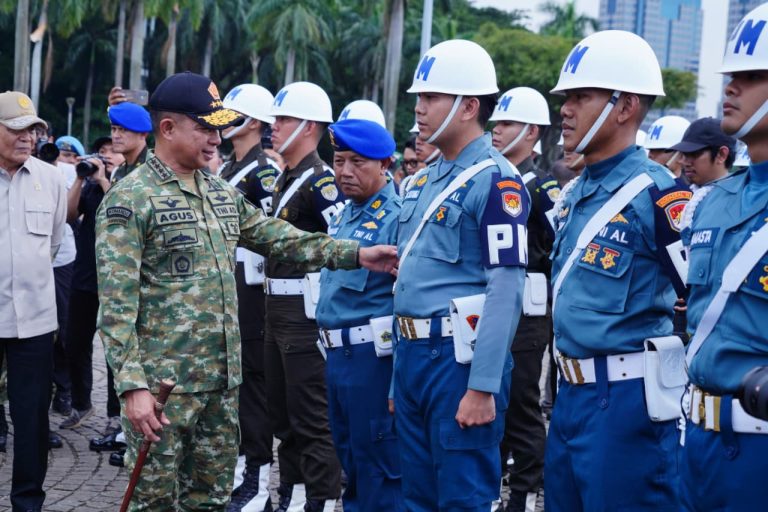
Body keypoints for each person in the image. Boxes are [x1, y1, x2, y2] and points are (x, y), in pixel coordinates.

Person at [96, 71, 396, 511]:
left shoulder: (218, 192)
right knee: (154, 502)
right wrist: (132, 387)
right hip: (162, 392)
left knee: (211, 501)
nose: (216, 138)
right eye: (205, 127)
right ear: (167, 128)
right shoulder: (130, 200)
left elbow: (279, 236)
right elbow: (116, 305)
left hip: (220, 384)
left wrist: (355, 254)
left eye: (219, 127)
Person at [545, 30, 691, 511]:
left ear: (624, 106)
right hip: (570, 397)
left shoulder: (658, 195)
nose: (565, 109)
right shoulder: (577, 191)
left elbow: (700, 298)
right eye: (566, 97)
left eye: (580, 96)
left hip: (626, 404)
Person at [394, 39, 529, 512]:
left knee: (462, 497)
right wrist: (398, 378)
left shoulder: (496, 179)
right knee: (415, 496)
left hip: (456, 362)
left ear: (469, 106)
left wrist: (482, 385)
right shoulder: (426, 179)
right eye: (419, 97)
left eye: (431, 98)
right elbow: (408, 281)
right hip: (411, 356)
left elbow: (507, 288)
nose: (419, 108)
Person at [680, 4, 768, 509]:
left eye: (751, 76)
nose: (730, 87)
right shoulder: (712, 202)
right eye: (732, 75)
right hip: (697, 441)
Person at [264, 81, 347, 512]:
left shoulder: (321, 182)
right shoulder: (287, 177)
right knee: (283, 414)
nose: (273, 127)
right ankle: (293, 493)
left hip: (304, 310)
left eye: (284, 119)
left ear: (309, 126)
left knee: (311, 416)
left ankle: (321, 499)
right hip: (275, 307)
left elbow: (340, 243)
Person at [318, 118, 405, 511]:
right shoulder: (345, 214)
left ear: (385, 164)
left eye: (358, 162)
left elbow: (405, 301)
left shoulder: (397, 218)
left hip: (374, 361)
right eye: (338, 161)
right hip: (338, 360)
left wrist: (395, 383)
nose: (345, 172)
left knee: (379, 469)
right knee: (351, 462)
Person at [489, 86, 556, 511]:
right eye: (496, 123)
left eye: (508, 124)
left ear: (531, 131)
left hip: (529, 311)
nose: (497, 131)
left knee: (521, 404)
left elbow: (559, 244)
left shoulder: (542, 185)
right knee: (492, 400)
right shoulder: (495, 176)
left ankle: (526, 492)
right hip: (494, 305)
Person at [0, 91, 68, 512]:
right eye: (16, 129)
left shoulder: (53, 179)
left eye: (32, 130)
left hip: (35, 323)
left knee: (31, 421)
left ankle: (28, 503)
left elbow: (56, 243)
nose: (27, 138)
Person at [218, 83, 280, 512]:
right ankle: (239, 472)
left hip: (253, 294)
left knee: (254, 391)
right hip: (228, 292)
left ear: (254, 122)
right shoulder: (225, 169)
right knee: (235, 390)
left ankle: (257, 482)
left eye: (233, 114)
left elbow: (272, 236)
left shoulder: (262, 173)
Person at [89, 100, 153, 464]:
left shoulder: (149, 171)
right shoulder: (121, 171)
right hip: (117, 280)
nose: (115, 135)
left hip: (142, 284)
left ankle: (137, 439)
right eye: (113, 129)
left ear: (143, 134)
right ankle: (123, 429)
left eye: (123, 130)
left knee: (139, 362)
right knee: (119, 357)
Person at [670, 117, 736, 188]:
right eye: (684, 154)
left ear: (721, 155)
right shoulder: (684, 193)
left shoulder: (738, 197)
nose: (684, 162)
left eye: (693, 154)